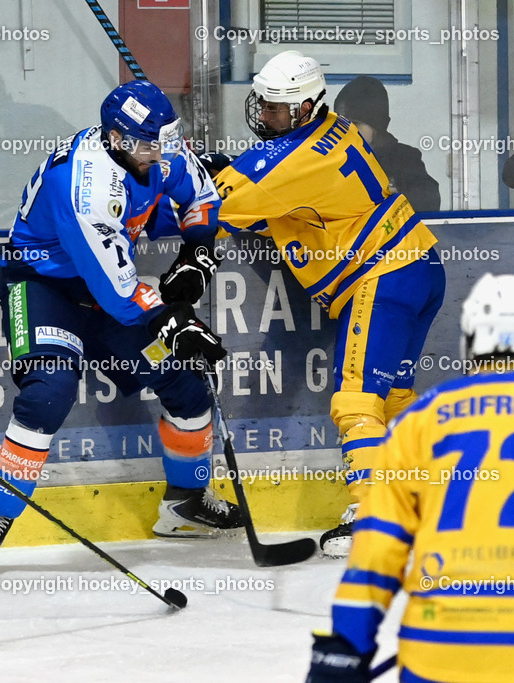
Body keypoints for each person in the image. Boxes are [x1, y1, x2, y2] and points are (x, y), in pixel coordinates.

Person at [0, 80, 243, 564]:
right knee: (49, 390)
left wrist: (198, 250)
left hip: (108, 287)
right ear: (117, 139)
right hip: (46, 287)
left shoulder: (152, 147)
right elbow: (119, 295)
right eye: (150, 146)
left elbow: (201, 194)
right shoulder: (87, 190)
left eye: (163, 142)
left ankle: (185, 504)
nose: (161, 154)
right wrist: (176, 323)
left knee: (186, 381)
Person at [208, 51, 446, 557]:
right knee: (394, 401)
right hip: (420, 268)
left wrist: (199, 171)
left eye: (275, 108)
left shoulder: (291, 160)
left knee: (355, 403)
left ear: (305, 106)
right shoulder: (334, 128)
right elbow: (271, 202)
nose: (264, 115)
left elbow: (216, 206)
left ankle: (374, 519)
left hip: (382, 277)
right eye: (263, 104)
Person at [306, 273, 514, 683]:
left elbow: (377, 549)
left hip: (438, 647)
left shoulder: (422, 420)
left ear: (470, 342)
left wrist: (346, 648)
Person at [334, 75, 441, 213]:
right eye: (342, 125)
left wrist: (396, 195)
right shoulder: (333, 158)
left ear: (376, 126)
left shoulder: (404, 159)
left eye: (355, 123)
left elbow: (429, 201)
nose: (348, 131)